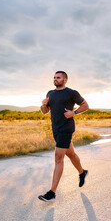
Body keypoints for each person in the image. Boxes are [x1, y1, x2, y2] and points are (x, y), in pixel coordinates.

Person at [38, 71, 89, 202]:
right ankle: (82, 172)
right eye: (54, 77)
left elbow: (85, 105)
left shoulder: (71, 93)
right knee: (71, 154)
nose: (55, 79)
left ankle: (52, 193)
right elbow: (45, 112)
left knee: (58, 158)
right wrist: (43, 105)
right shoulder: (50, 93)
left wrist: (74, 112)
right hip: (56, 128)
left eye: (58, 77)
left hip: (66, 128)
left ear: (65, 80)